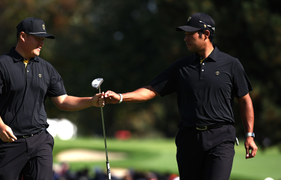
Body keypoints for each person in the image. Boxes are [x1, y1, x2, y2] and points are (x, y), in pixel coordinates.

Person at [104, 12, 258, 180]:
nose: (185, 39)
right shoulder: (180, 67)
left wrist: (250, 135)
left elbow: (245, 100)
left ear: (205, 34)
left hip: (221, 138)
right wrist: (120, 97)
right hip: (189, 139)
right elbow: (151, 90)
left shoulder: (231, 64)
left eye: (189, 34)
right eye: (185, 35)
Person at [0, 17, 104, 180]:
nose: (42, 43)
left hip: (39, 141)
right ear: (23, 36)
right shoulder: (1, 64)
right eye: (38, 39)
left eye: (43, 39)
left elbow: (63, 100)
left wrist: (91, 100)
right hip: (9, 143)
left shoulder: (46, 68)